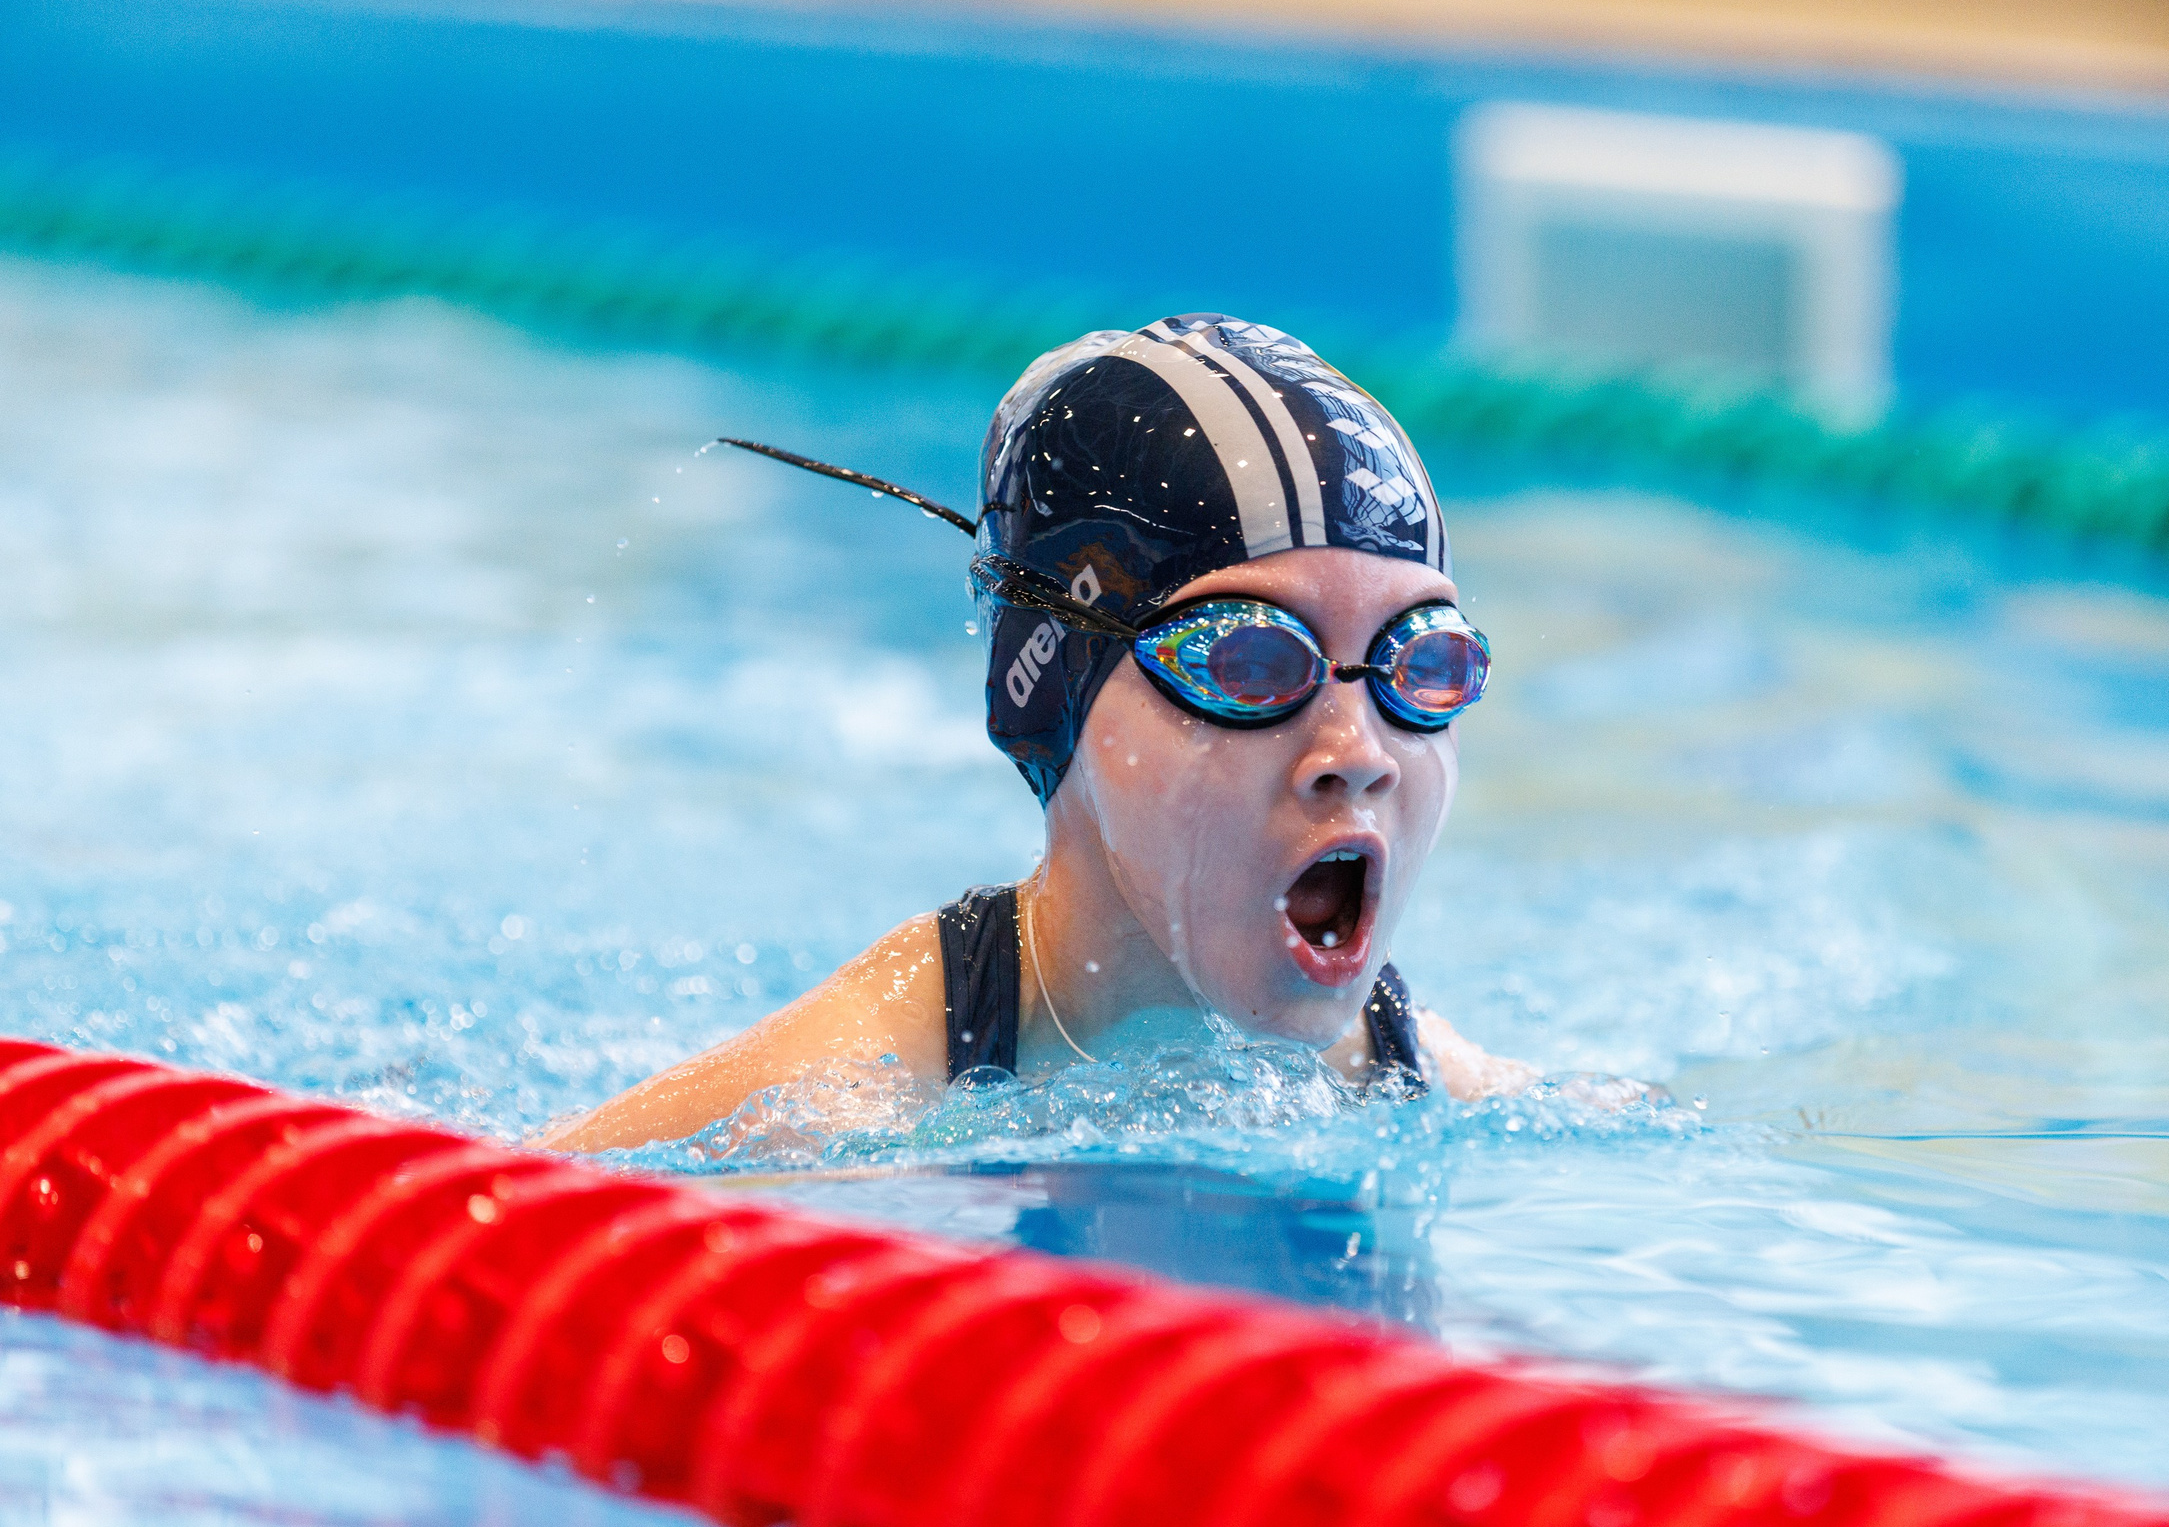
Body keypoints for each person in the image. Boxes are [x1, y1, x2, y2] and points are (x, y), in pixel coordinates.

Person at [545, 314, 1533, 1154]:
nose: (1357, 753)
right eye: (1250, 663)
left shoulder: (1419, 1080)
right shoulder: (849, 1096)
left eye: (1420, 665)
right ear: (1052, 688)